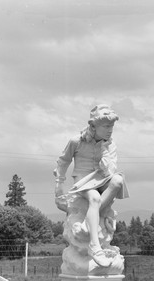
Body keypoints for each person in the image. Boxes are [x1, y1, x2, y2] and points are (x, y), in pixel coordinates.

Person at [54, 104, 129, 267]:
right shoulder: (76, 141)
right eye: (107, 126)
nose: (110, 130)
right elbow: (63, 161)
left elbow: (111, 170)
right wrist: (59, 184)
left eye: (112, 127)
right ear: (94, 126)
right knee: (94, 198)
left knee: (118, 180)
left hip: (102, 177)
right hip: (83, 179)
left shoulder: (110, 144)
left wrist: (105, 158)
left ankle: (92, 219)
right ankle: (95, 247)